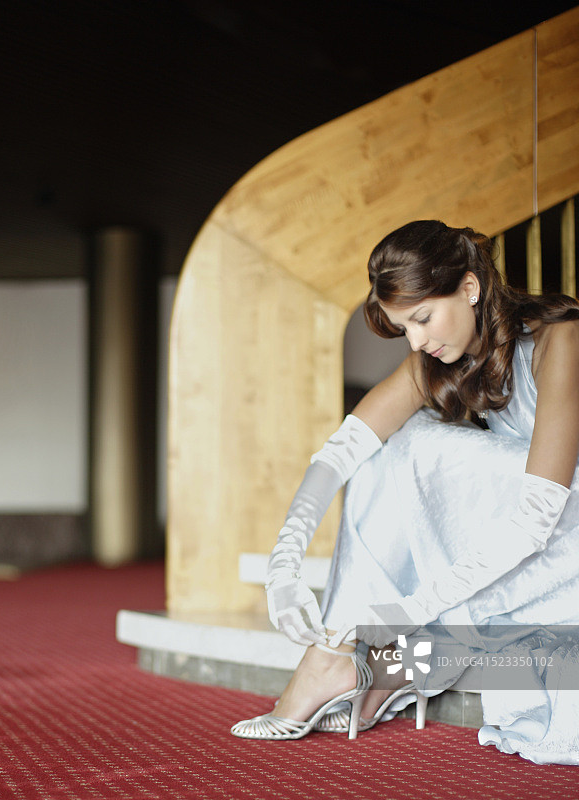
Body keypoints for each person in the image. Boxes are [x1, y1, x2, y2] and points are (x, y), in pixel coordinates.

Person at [230, 220, 579, 765]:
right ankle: (333, 656)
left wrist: (406, 612)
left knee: (414, 444)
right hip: (534, 527)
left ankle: (349, 660)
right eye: (404, 327)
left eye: (422, 318)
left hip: (560, 529)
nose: (417, 341)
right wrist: (285, 561)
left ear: (469, 287)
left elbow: (537, 517)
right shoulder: (440, 354)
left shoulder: (563, 338)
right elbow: (343, 449)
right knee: (382, 446)